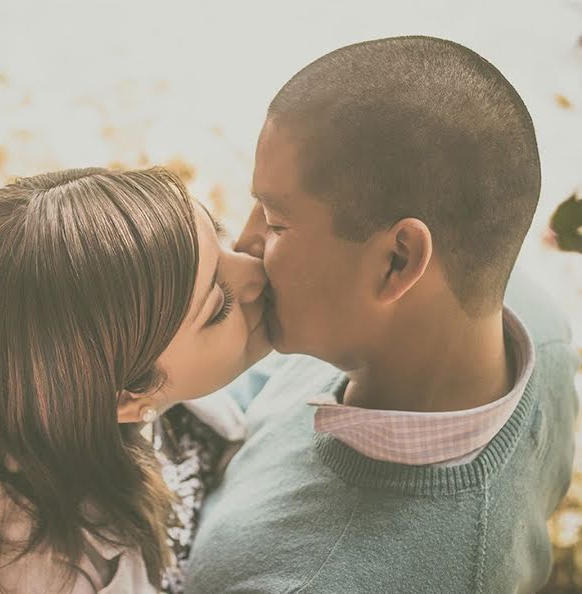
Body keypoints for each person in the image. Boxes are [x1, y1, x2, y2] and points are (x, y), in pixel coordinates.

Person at [186, 36, 579, 593]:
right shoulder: (530, 317)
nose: (246, 243)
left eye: (276, 223)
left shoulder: (323, 578)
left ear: (399, 261)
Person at [0, 167, 271, 593]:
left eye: (219, 233)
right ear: (125, 398)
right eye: (218, 307)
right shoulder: (25, 575)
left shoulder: (41, 394)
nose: (255, 271)